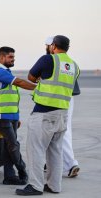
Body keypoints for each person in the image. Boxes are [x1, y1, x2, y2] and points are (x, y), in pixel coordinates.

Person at [16, 35, 80, 195]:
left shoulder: (48, 60)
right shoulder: (74, 66)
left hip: (44, 113)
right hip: (63, 114)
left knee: (36, 150)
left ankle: (36, 186)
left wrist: (41, 78)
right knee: (55, 152)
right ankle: (54, 186)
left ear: (54, 46)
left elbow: (31, 77)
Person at [0, 47, 36, 185]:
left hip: (11, 116)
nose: (13, 59)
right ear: (1, 58)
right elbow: (20, 82)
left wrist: (16, 117)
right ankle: (22, 169)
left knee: (9, 146)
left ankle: (9, 176)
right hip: (1, 116)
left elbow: (11, 97)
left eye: (13, 57)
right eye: (10, 57)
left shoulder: (6, 73)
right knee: (13, 144)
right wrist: (38, 87)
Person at [45, 36, 81, 178]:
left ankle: (71, 163)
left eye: (48, 45)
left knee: (61, 130)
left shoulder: (52, 61)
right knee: (55, 131)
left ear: (52, 46)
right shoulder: (70, 63)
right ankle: (49, 163)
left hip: (57, 100)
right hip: (67, 98)